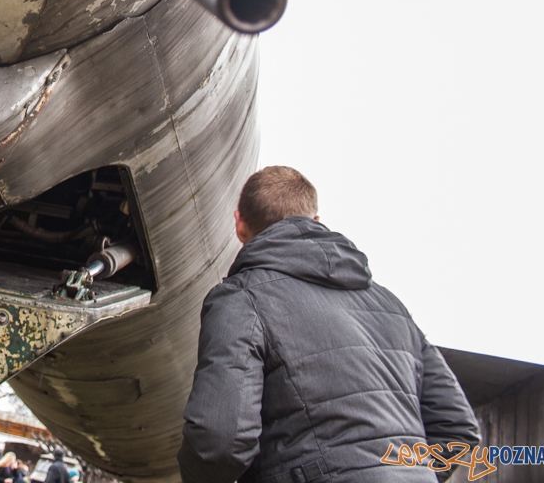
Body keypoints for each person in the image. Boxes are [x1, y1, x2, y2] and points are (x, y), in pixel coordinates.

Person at [177, 166, 480, 482]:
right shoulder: (391, 305)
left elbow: (219, 441)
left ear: (240, 225)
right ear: (316, 222)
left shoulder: (241, 297)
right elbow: (458, 429)